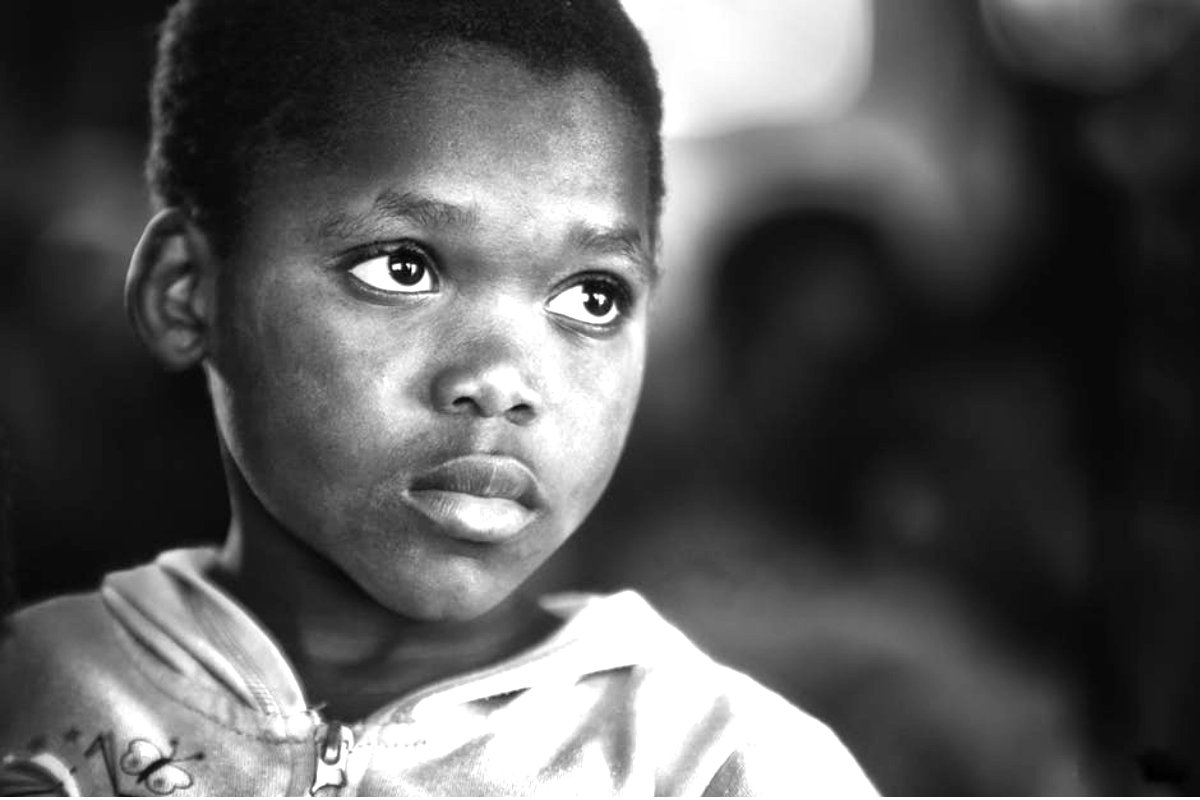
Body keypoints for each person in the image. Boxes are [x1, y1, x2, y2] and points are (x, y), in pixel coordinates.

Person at [0, 0, 875, 794]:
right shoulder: (35, 687)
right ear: (188, 292)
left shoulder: (720, 764)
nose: (501, 382)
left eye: (591, 297)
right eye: (402, 268)